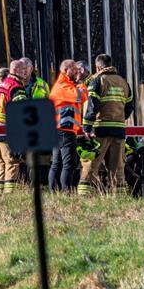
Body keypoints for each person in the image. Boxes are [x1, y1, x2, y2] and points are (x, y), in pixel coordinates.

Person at [79, 54, 134, 195]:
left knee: (91, 163)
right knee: (117, 166)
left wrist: (86, 127)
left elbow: (92, 106)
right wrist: (119, 118)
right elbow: (129, 107)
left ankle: (86, 194)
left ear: (98, 66)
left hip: (100, 129)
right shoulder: (123, 82)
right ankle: (119, 195)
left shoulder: (97, 81)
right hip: (119, 130)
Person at [0, 60, 28, 194]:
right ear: (16, 70)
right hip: (7, 131)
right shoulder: (16, 87)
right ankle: (10, 195)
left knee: (1, 164)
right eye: (23, 70)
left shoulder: (2, 85)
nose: (26, 72)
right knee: (12, 163)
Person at [48, 60, 82, 192]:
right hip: (64, 130)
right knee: (69, 163)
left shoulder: (64, 85)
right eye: (74, 69)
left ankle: (54, 191)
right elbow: (80, 97)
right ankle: (65, 191)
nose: (76, 72)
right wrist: (81, 85)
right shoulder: (63, 86)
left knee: (57, 163)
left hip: (61, 129)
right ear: (66, 70)